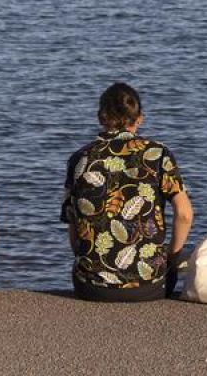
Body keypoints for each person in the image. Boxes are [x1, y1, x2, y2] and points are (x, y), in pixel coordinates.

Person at [61, 82, 193, 301]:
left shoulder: (80, 158)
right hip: (149, 286)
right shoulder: (158, 155)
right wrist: (171, 258)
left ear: (101, 118)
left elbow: (73, 228)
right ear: (139, 118)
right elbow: (185, 214)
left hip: (91, 287)